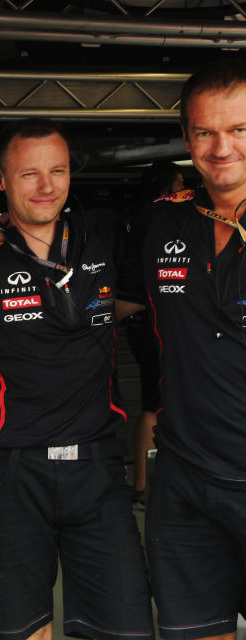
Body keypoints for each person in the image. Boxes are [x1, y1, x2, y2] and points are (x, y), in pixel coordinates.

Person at [0, 119, 153, 640]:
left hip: (98, 469)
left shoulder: (102, 230)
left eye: (58, 170)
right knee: (26, 631)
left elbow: (137, 295)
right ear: (0, 179)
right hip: (12, 471)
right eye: (29, 174)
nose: (47, 186)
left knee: (125, 628)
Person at [130, 58, 246, 640]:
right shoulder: (160, 225)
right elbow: (72, 259)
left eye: (239, 130)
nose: (221, 147)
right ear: (187, 138)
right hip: (184, 483)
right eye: (205, 132)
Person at [126, 160, 183, 501]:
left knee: (154, 400)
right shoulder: (163, 217)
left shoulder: (135, 216)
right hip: (153, 321)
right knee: (155, 403)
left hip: (140, 322)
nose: (184, 189)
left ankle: (146, 484)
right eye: (180, 183)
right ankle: (145, 486)